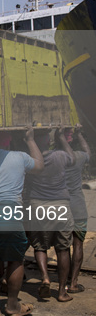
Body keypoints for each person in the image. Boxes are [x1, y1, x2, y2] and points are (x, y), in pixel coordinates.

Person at [0, 127, 43, 316]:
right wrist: (30, 139)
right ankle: (12, 305)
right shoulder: (19, 157)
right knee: (15, 259)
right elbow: (39, 165)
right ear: (8, 140)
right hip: (11, 216)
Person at [27, 126, 75, 302]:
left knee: (40, 246)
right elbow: (73, 158)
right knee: (63, 249)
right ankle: (62, 291)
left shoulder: (30, 159)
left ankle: (45, 277)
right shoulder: (60, 156)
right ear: (48, 141)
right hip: (60, 205)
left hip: (38, 204)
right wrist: (61, 137)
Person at [64, 125, 91, 294]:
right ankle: (73, 283)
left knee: (63, 246)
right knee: (78, 243)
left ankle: (63, 279)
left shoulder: (52, 158)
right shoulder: (79, 157)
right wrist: (80, 133)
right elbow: (88, 151)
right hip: (78, 207)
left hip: (61, 207)